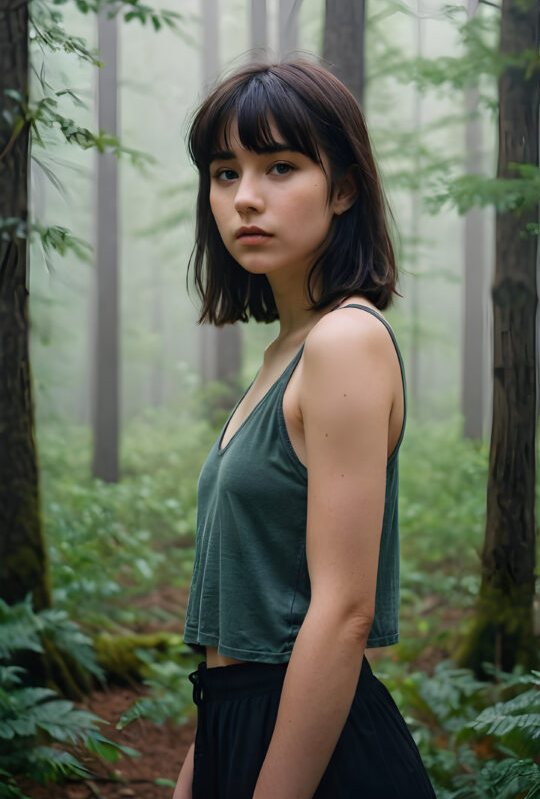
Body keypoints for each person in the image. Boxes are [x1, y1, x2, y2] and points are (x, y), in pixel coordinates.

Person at [173, 61, 436, 799]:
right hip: (237, 726)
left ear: (344, 188)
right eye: (226, 173)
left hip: (313, 750)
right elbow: (237, 638)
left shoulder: (344, 343)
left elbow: (344, 612)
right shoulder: (283, 355)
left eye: (280, 166)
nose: (246, 198)